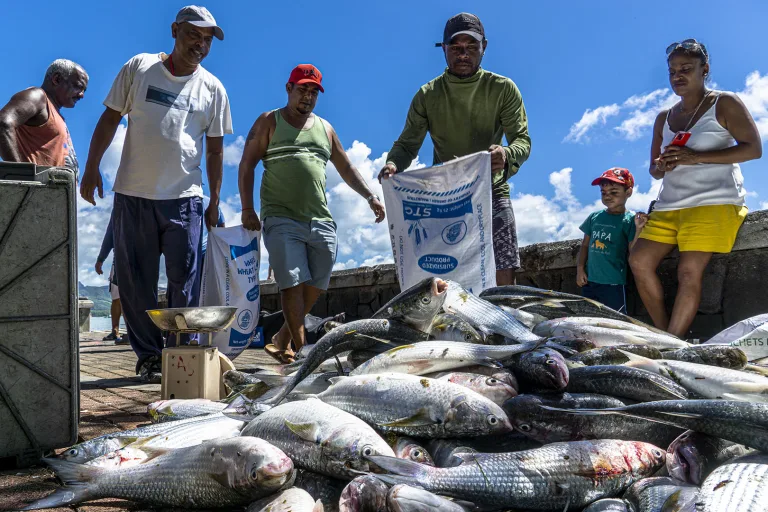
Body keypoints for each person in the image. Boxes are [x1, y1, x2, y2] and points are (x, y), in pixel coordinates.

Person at [80, 6, 232, 383]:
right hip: (133, 194)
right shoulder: (140, 66)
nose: (201, 44)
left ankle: (181, 352)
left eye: (208, 39)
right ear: (175, 30)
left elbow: (214, 150)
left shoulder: (214, 88)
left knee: (186, 279)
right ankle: (149, 356)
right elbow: (111, 118)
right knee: (136, 282)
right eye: (194, 35)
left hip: (186, 198)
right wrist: (91, 166)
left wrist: (214, 200)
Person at [238, 64, 385, 364]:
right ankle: (303, 352)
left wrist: (371, 196)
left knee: (316, 283)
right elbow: (246, 164)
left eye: (314, 91)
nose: (307, 96)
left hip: (320, 219)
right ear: (289, 89)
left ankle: (281, 337)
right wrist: (246, 208)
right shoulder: (270, 121)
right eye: (302, 89)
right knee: (291, 282)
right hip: (280, 217)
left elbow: (346, 167)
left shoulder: (325, 129)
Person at [378, 12, 531, 286]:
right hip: (445, 198)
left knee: (503, 264)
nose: (464, 55)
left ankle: (501, 321)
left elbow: (522, 140)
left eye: (472, 47)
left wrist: (506, 155)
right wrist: (393, 165)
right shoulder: (427, 95)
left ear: (484, 47)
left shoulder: (503, 89)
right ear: (444, 49)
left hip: (491, 191)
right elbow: (407, 144)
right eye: (456, 48)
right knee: (443, 270)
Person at [629, 39, 762, 338]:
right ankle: (666, 338)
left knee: (688, 272)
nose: (678, 76)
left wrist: (695, 157)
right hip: (669, 206)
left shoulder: (724, 103)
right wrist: (662, 165)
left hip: (714, 202)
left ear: (705, 70)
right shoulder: (664, 117)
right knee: (638, 260)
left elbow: (753, 149)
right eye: (672, 70)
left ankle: (672, 344)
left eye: (686, 69)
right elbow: (653, 169)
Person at [576, 168, 646, 313]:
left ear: (628, 192)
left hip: (614, 283)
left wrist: (639, 229)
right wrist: (580, 269)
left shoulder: (629, 220)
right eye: (603, 193)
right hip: (590, 281)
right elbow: (585, 246)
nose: (607, 196)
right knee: (589, 318)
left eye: (614, 192)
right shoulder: (594, 217)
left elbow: (632, 250)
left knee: (617, 320)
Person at [0, 59, 88, 174]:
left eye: (83, 90)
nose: (81, 95)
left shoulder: (54, 112)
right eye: (78, 86)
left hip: (51, 190)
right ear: (57, 79)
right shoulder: (38, 97)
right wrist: (20, 176)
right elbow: (3, 122)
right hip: (34, 190)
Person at [95, 213, 129, 345]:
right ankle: (116, 331)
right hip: (120, 261)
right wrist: (100, 259)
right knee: (117, 298)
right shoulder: (118, 212)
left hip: (140, 259)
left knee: (128, 299)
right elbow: (109, 237)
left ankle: (132, 333)